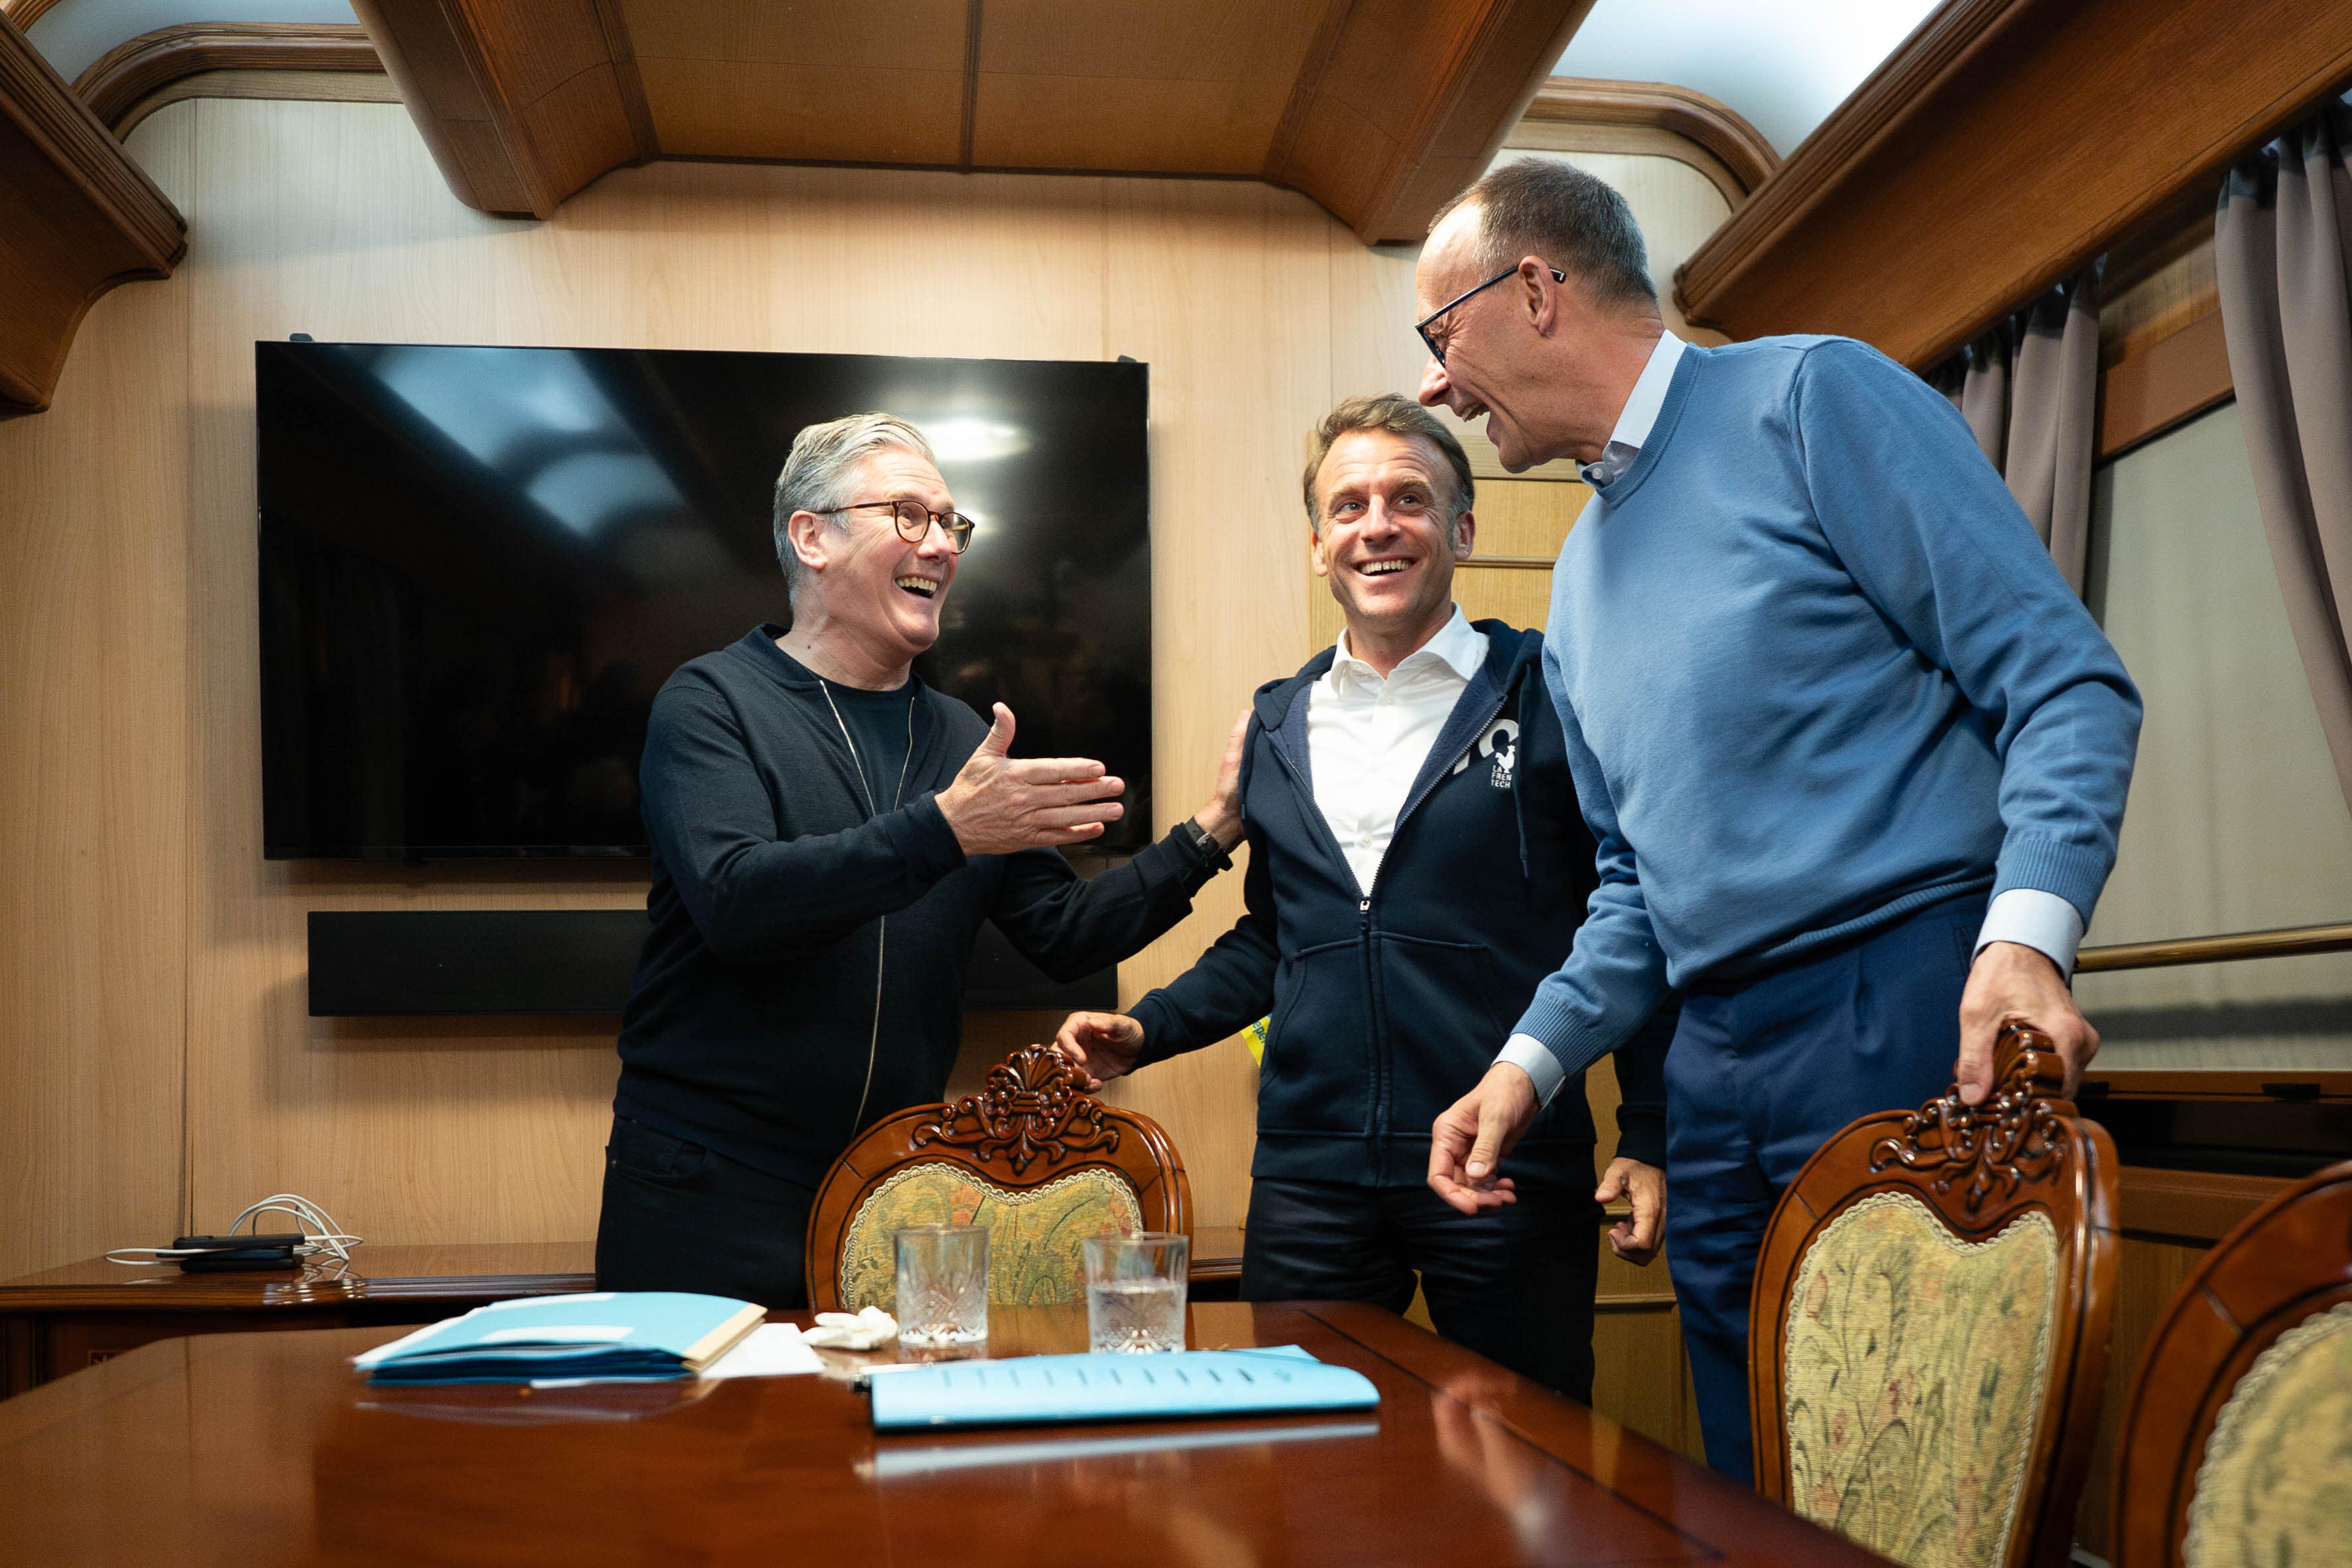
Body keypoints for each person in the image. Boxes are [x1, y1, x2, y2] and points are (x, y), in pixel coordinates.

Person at [1412, 160, 2142, 1481]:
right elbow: (1634, 884)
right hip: (1710, 1062)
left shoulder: (1811, 397)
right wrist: (1525, 1067)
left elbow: (2063, 683)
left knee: (1918, 1471)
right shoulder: (1574, 582)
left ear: (1533, 290)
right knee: (1761, 1474)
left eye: (1436, 332)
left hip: (1899, 1002)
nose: (1433, 383)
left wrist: (2025, 940)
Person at [1054, 394, 1677, 1402]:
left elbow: (1637, 912)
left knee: (1525, 1477)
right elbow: (1281, 939)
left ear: (1463, 530)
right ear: (1317, 545)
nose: (1376, 524)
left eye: (1408, 498)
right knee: (1303, 1478)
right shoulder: (1277, 723)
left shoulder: (1551, 693)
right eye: (1347, 506)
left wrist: (1650, 1129)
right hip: (1311, 1179)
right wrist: (1149, 1028)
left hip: (1503, 1164)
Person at [597, 412, 1245, 1309]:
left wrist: (1210, 833)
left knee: (876, 1446)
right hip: (706, 1188)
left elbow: (1065, 933)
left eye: (951, 524)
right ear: (811, 535)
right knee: (702, 1452)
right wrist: (945, 832)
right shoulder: (711, 702)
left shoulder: (958, 737)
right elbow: (740, 901)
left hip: (894, 1192)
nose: (940, 545)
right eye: (909, 515)